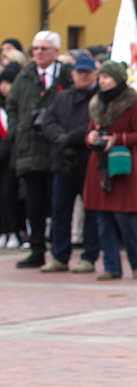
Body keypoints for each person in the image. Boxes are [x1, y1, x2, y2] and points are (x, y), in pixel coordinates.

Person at [8, 31, 72, 268]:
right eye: (35, 48)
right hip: (30, 149)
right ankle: (37, 249)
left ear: (55, 51)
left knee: (57, 203)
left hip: (58, 148)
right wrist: (17, 131)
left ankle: (59, 249)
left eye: (43, 48)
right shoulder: (24, 76)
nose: (38, 53)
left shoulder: (65, 76)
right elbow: (12, 104)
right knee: (33, 203)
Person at [83, 61, 137, 280]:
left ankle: (136, 263)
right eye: (100, 77)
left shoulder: (132, 102)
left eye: (106, 77)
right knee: (102, 218)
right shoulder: (96, 103)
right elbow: (90, 132)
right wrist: (91, 138)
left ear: (117, 79)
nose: (101, 81)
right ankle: (111, 267)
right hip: (99, 165)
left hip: (122, 166)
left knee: (124, 217)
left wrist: (117, 139)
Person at [38, 55, 101, 273]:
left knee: (90, 212)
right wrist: (60, 138)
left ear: (94, 73)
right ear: (73, 74)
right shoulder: (62, 97)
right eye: (79, 72)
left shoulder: (99, 99)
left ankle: (89, 256)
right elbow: (48, 121)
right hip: (62, 162)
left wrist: (70, 137)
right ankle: (59, 255)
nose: (83, 76)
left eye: (87, 72)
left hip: (87, 162)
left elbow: (92, 125)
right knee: (60, 211)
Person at [0, 62, 26, 249]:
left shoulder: (20, 103)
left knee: (16, 195)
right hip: (4, 156)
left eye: (7, 83)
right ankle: (6, 230)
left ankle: (20, 231)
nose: (3, 87)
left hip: (17, 153)